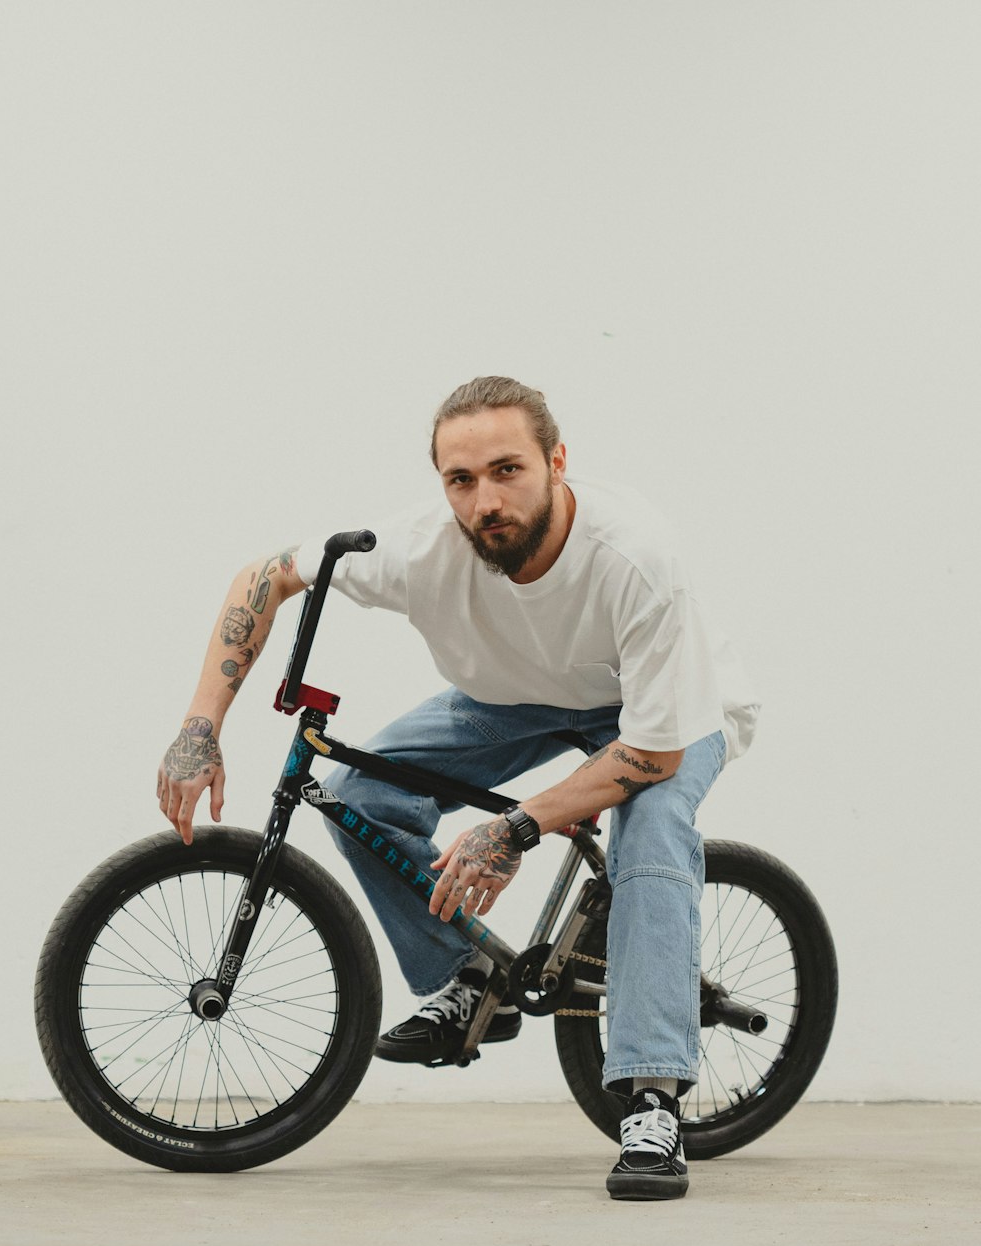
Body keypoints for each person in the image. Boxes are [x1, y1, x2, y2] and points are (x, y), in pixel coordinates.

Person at [157, 377, 759, 1201]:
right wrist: (201, 727)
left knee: (651, 834)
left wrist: (513, 828)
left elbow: (651, 755)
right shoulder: (417, 548)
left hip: (664, 711)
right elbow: (262, 578)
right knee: (359, 794)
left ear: (557, 462)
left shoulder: (635, 558)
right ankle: (468, 977)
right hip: (513, 698)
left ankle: (652, 1097)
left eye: (509, 470)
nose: (487, 500)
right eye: (461, 480)